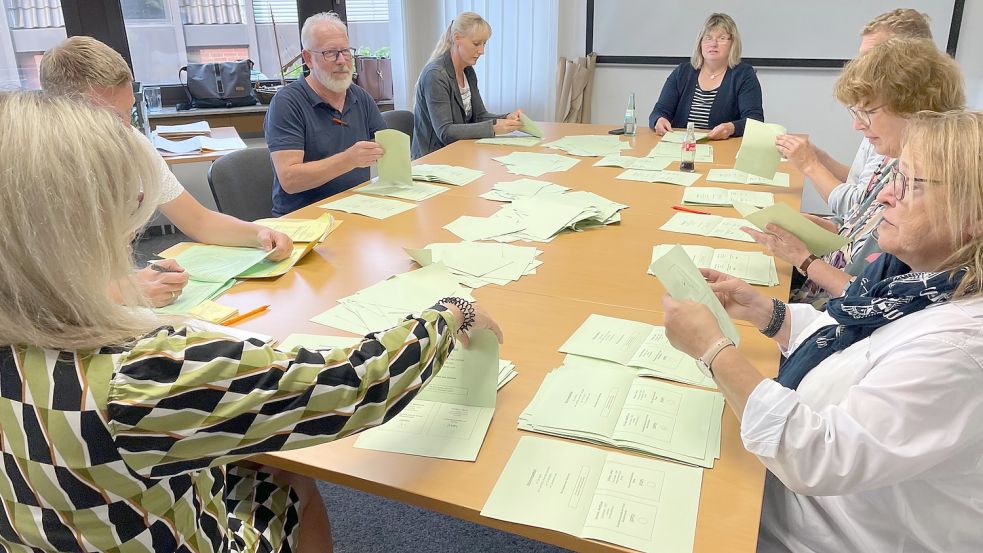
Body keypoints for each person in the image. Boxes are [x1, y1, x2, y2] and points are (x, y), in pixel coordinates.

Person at [0, 90, 503, 553]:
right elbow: (357, 385)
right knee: (285, 479)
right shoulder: (142, 377)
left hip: (61, 525)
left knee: (246, 455)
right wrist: (451, 311)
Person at [662, 109, 983, 552]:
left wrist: (714, 351)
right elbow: (851, 337)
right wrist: (764, 311)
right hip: (790, 490)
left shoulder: (960, 349)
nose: (887, 195)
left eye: (911, 184)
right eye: (895, 176)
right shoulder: (925, 283)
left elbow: (818, 455)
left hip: (815, 530)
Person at [40, 36, 294, 309]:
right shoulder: (35, 169)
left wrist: (258, 234)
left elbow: (199, 220)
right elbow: (27, 294)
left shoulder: (133, 144)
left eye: (129, 113)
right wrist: (117, 293)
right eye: (110, 119)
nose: (126, 129)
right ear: (60, 115)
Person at [746, 38, 964, 306]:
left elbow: (873, 298)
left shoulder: (923, 188)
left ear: (916, 110)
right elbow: (856, 228)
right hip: (819, 290)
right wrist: (814, 225)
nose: (858, 126)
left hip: (832, 310)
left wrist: (804, 259)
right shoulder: (892, 163)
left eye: (868, 112)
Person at [774, 9, 934, 214]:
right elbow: (864, 185)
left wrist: (810, 166)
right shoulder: (881, 119)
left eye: (872, 58)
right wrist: (820, 158)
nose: (860, 67)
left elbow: (859, 209)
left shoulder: (903, 130)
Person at [265, 12, 386, 216]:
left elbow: (386, 146)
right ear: (308, 58)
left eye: (345, 51)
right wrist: (348, 160)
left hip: (354, 209)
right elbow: (290, 179)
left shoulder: (359, 97)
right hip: (304, 220)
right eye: (330, 53)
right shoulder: (287, 103)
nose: (342, 61)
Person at [412, 11, 525, 158]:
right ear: (457, 38)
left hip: (458, 153)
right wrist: (494, 128)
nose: (482, 51)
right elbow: (445, 132)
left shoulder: (468, 71)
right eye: (476, 44)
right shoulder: (436, 75)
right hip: (432, 159)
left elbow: (479, 116)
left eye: (484, 44)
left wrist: (506, 118)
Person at [648, 13, 763, 139]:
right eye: (708, 38)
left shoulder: (744, 75)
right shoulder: (682, 72)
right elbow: (659, 111)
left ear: (733, 44)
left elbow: (755, 120)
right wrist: (659, 120)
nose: (713, 44)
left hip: (722, 149)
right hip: (682, 146)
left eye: (722, 38)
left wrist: (732, 128)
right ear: (700, 43)